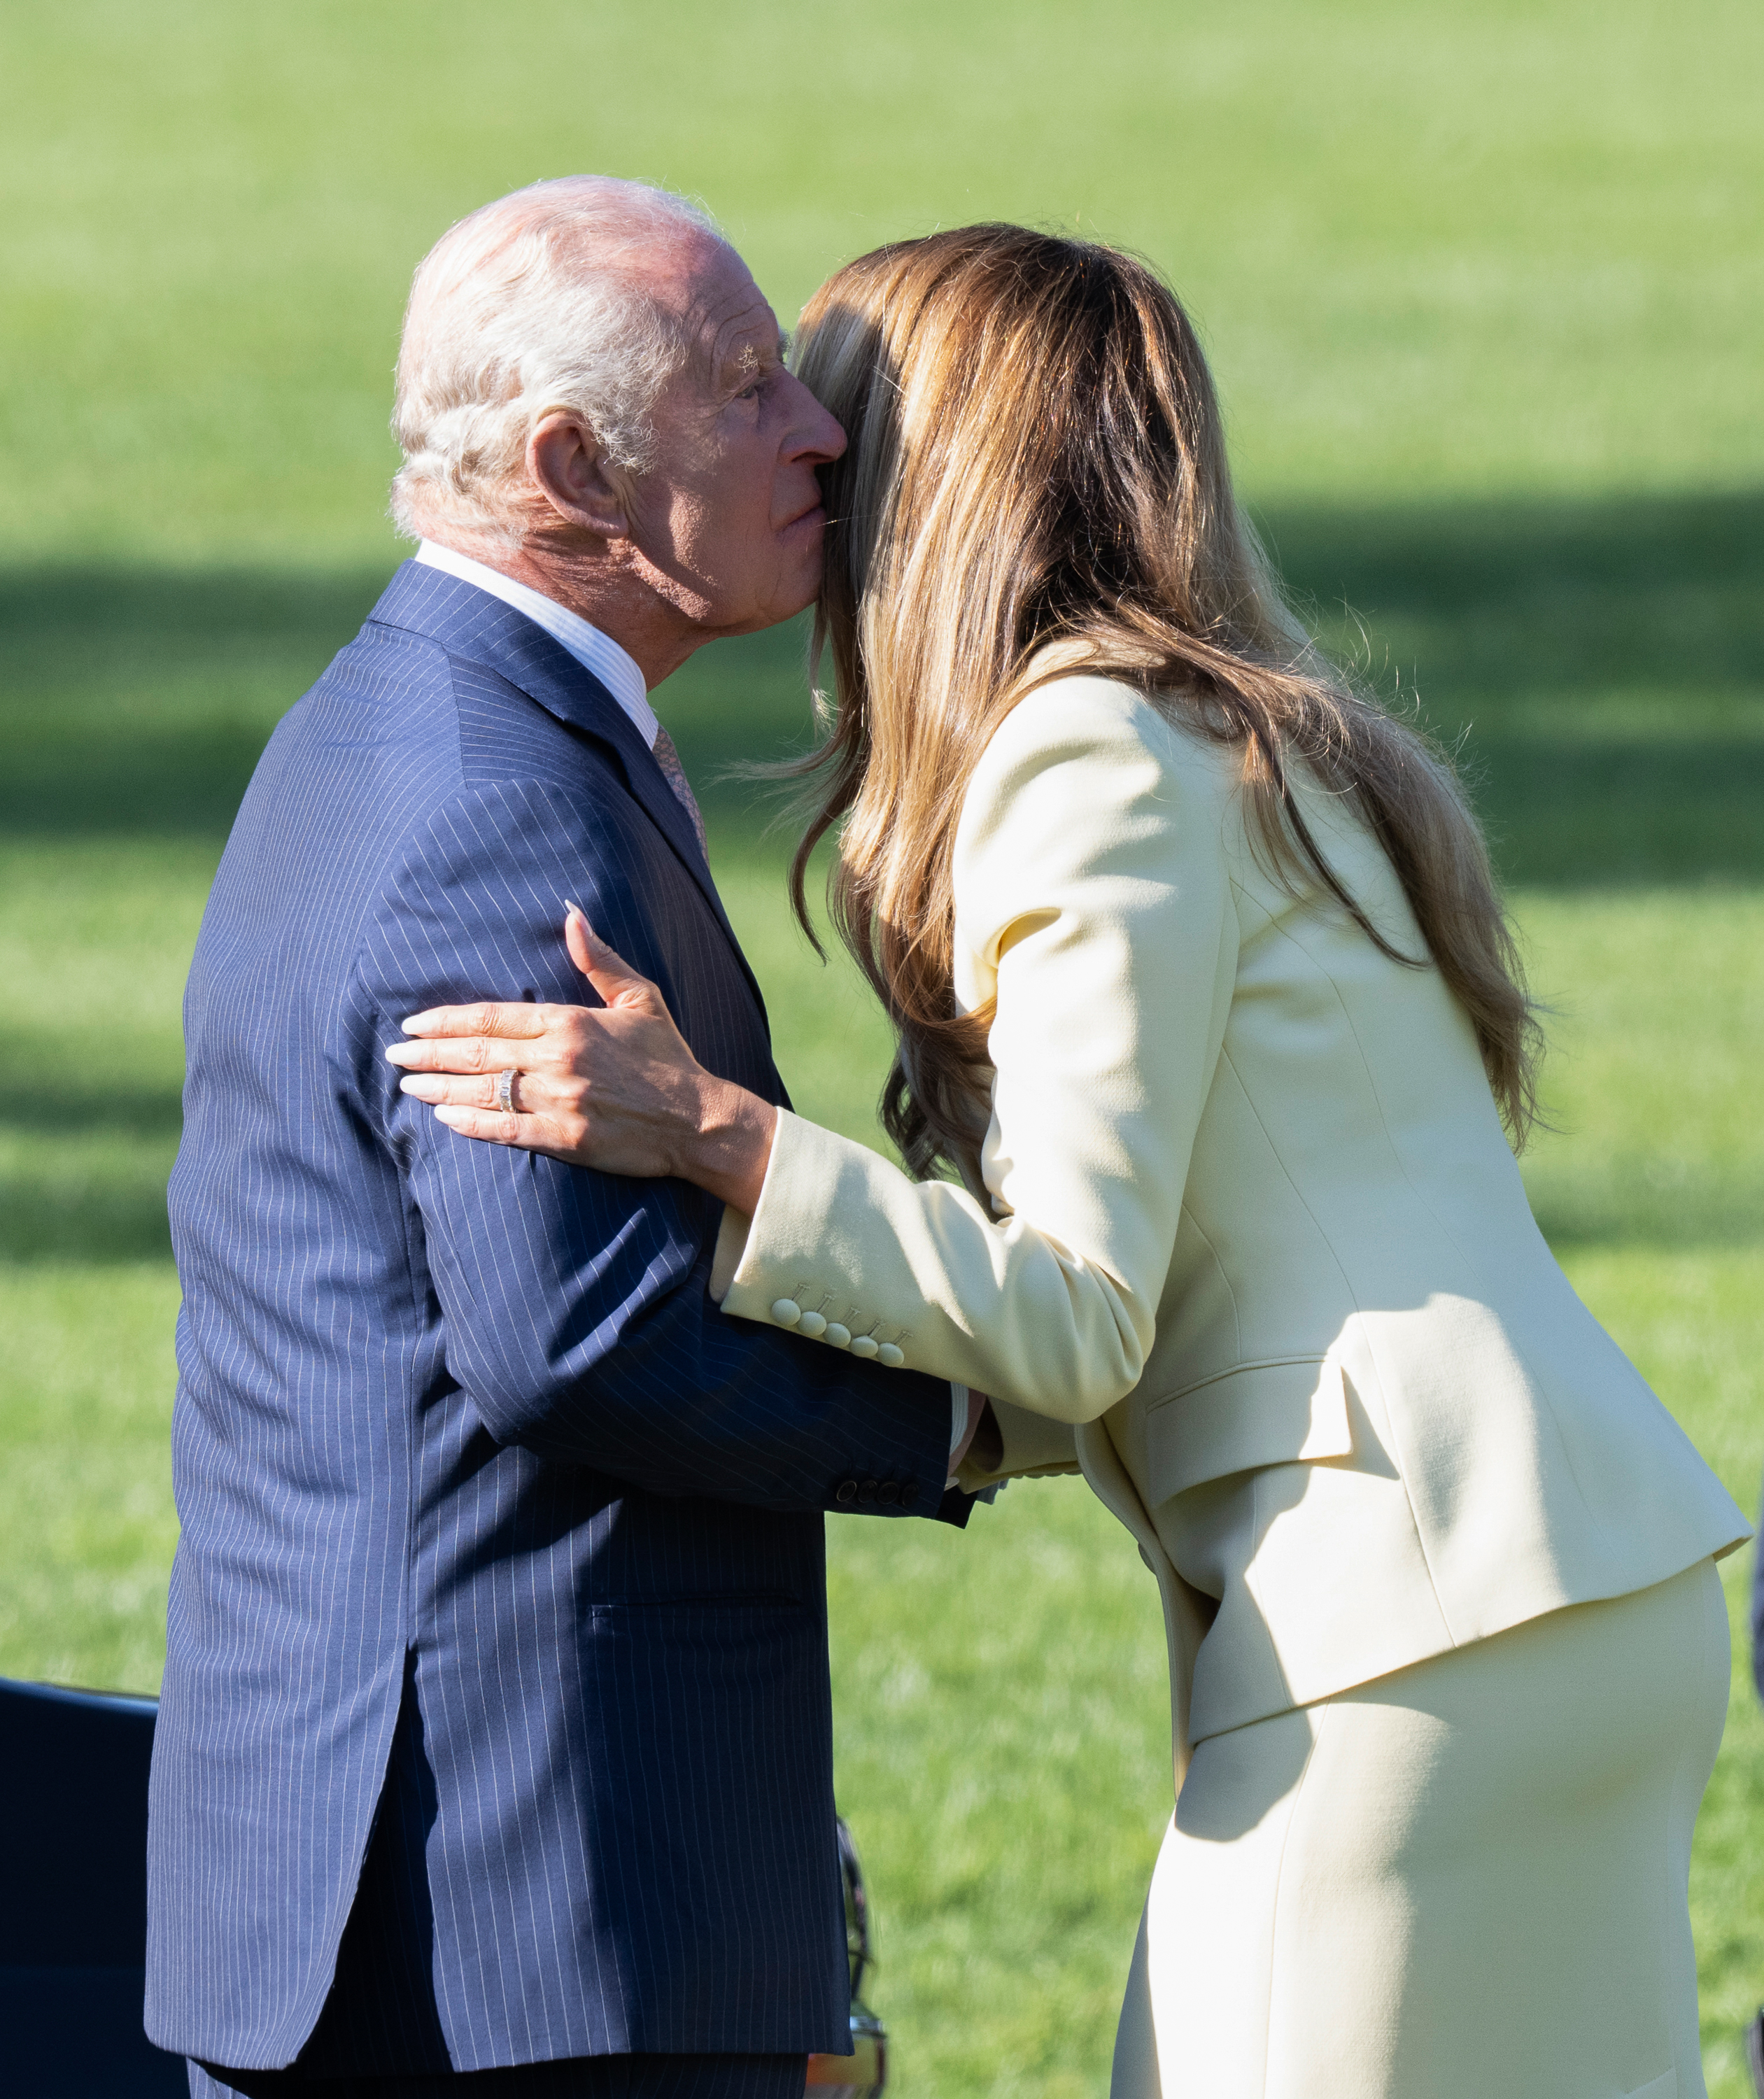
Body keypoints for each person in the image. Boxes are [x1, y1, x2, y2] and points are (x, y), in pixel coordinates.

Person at [392, 225, 1751, 2098]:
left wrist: (712, 1138)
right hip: (1576, 1604)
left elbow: (1077, 1313)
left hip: (1413, 1633)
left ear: (919, 471)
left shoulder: (1081, 754)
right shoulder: (1246, 733)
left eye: (824, 414)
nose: (792, 447)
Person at [147, 178, 985, 2099]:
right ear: (568, 466)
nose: (821, 429)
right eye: (746, 383)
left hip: (405, 1883)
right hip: (524, 1924)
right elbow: (574, 1338)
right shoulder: (498, 805)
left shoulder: (396, 724)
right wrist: (973, 1407)